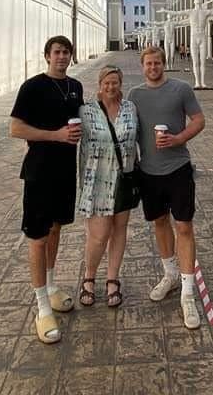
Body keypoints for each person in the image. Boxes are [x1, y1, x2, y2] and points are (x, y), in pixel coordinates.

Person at [9, 35, 84, 345]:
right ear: (46, 56)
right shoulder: (32, 87)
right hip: (39, 171)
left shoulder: (75, 87)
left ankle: (51, 288)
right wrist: (54, 135)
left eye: (66, 52)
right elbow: (15, 128)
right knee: (38, 237)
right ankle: (41, 308)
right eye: (57, 52)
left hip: (65, 172)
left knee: (55, 230)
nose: (62, 57)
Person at [129, 46, 206, 329]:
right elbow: (130, 130)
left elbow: (199, 120)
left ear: (163, 64)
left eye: (157, 63)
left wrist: (178, 139)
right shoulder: (135, 95)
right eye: (148, 63)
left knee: (184, 226)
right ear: (142, 66)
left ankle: (188, 292)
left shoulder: (181, 89)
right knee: (159, 223)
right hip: (149, 172)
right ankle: (170, 274)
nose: (153, 67)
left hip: (178, 169)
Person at [76, 66, 139, 308]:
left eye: (115, 82)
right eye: (107, 83)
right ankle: (89, 277)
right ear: (100, 84)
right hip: (96, 182)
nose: (111, 87)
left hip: (124, 179)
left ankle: (113, 279)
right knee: (99, 235)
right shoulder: (87, 111)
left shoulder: (130, 108)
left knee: (120, 229)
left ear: (120, 84)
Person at [158, 0, 213, 88]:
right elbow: (177, 13)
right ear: (194, 2)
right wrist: (165, 10)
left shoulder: (205, 12)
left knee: (203, 62)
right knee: (196, 62)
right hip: (194, 38)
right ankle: (197, 82)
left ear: (200, 2)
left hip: (202, 37)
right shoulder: (191, 12)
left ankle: (203, 82)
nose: (197, 0)